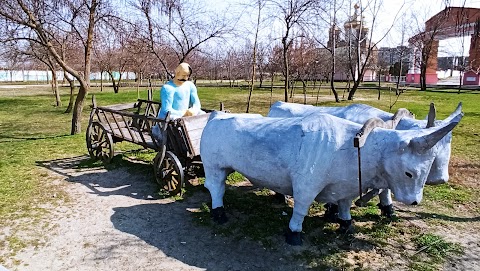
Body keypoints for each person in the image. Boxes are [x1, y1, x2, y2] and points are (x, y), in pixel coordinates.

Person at [152, 63, 203, 142]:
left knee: (202, 115)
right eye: (183, 75)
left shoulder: (190, 86)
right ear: (177, 72)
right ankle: (179, 141)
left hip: (186, 115)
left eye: (187, 75)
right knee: (176, 122)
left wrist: (193, 110)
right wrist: (184, 113)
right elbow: (167, 110)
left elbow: (197, 103)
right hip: (171, 116)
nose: (185, 78)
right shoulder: (168, 88)